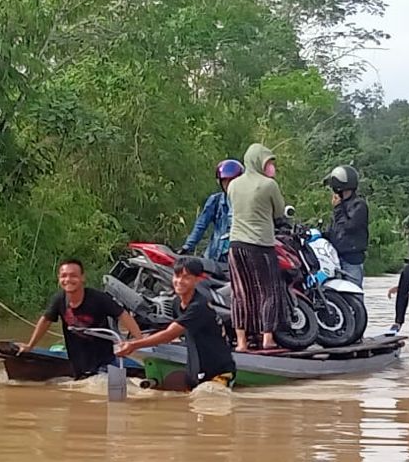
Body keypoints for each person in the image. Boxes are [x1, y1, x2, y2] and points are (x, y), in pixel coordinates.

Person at [116, 257, 236, 388]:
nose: (179, 281)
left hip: (219, 371)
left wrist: (134, 345)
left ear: (198, 279)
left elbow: (169, 334)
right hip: (196, 371)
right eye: (177, 276)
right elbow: (173, 331)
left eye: (186, 277)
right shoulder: (177, 303)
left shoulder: (199, 306)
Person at [21, 259, 143, 379]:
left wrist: (138, 342)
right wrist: (30, 346)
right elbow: (45, 321)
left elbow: (123, 315)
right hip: (78, 365)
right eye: (64, 276)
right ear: (59, 279)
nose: (68, 279)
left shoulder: (98, 298)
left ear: (82, 278)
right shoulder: (59, 300)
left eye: (73, 276)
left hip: (105, 362)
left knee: (112, 385)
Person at [226, 143, 286, 352]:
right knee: (268, 292)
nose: (270, 166)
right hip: (261, 245)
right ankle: (267, 338)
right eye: (268, 161)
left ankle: (241, 342)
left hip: (236, 246)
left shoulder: (233, 185)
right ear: (259, 161)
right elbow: (279, 212)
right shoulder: (269, 185)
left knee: (239, 293)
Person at [178, 159, 244, 262]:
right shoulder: (216, 201)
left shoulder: (248, 202)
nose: (229, 185)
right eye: (225, 181)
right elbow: (201, 225)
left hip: (239, 256)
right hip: (216, 255)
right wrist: (187, 246)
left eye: (232, 181)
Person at [322, 164, 369, 287]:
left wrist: (338, 208)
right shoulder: (342, 205)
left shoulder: (358, 205)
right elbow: (335, 229)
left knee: (353, 292)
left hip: (351, 258)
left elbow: (349, 227)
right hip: (335, 257)